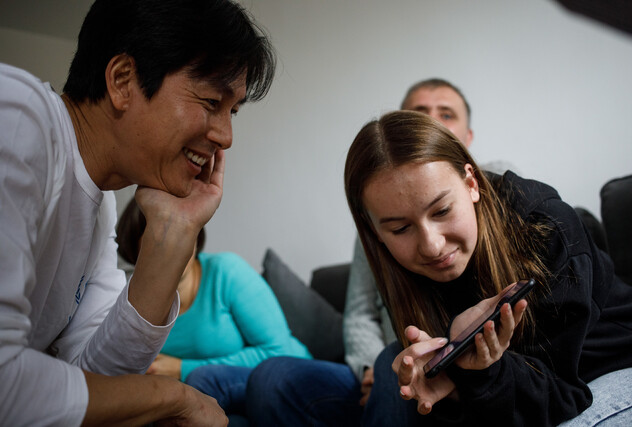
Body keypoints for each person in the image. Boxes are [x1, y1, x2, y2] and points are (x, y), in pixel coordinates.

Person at [0, 0, 275, 425]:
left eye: (232, 112)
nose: (225, 136)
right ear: (123, 81)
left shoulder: (100, 209)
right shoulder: (19, 115)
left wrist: (172, 234)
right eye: (210, 102)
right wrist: (172, 397)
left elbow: (93, 384)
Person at [342, 110, 632, 426]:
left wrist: (482, 372)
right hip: (533, 393)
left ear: (471, 183)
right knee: (394, 361)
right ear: (375, 232)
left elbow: (565, 396)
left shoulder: (546, 224)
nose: (432, 246)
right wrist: (453, 387)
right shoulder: (397, 268)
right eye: (400, 229)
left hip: (616, 369)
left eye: (442, 210)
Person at [245, 78, 499, 426]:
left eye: (447, 114)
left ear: (467, 142)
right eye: (420, 113)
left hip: (440, 376)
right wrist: (368, 369)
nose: (433, 122)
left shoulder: (497, 195)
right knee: (271, 378)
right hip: (378, 376)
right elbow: (360, 312)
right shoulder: (378, 220)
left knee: (392, 360)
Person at [115, 197, 311, 422]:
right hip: (211, 405)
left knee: (202, 382)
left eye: (183, 233)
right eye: (158, 239)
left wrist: (183, 368)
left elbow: (279, 351)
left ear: (197, 237)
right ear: (136, 252)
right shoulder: (127, 298)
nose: (173, 246)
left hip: (287, 384)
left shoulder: (226, 272)